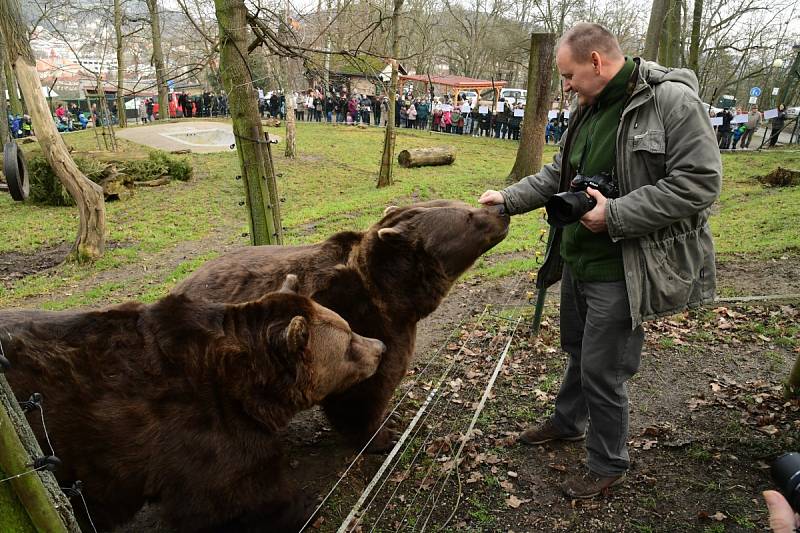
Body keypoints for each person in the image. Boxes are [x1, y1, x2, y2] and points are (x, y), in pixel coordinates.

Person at [478, 22, 721, 499]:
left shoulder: (671, 103)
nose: (565, 86)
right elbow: (559, 173)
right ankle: (567, 422)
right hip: (577, 259)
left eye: (568, 75)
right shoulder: (587, 107)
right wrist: (506, 199)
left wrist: (617, 214)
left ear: (595, 62)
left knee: (603, 370)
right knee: (576, 351)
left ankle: (607, 461)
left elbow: (700, 183)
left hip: (623, 268)